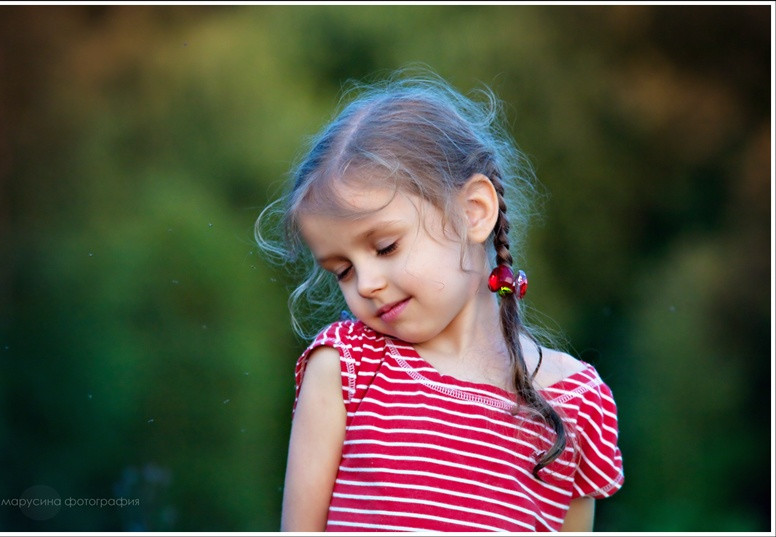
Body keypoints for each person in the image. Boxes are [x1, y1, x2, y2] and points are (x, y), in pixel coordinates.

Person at [256, 69, 624, 532]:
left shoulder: (576, 401)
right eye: (342, 271)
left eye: (386, 247)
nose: (365, 284)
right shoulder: (347, 367)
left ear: (474, 212)